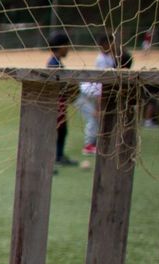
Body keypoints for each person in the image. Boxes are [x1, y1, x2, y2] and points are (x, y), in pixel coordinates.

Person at [76, 32, 118, 155]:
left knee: (97, 117)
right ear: (103, 44)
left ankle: (95, 141)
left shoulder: (109, 57)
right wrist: (100, 102)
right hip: (88, 93)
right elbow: (101, 82)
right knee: (94, 116)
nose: (113, 45)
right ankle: (89, 145)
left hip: (94, 92)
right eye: (110, 43)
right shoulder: (102, 60)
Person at [47, 32, 76, 167]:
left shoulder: (56, 62)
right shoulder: (53, 63)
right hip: (56, 102)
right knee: (58, 129)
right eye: (67, 45)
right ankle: (55, 156)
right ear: (61, 46)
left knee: (62, 129)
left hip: (60, 101)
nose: (68, 48)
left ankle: (58, 155)